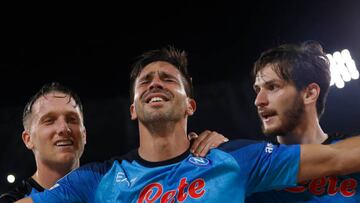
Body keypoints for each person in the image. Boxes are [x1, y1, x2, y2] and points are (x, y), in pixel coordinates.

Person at [16, 46, 360, 203]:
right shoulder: (95, 181)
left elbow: (337, 157)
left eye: (168, 79)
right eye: (145, 81)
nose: (155, 83)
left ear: (190, 105)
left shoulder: (237, 159)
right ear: (134, 109)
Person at [0, 82, 225, 202]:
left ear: (85, 134)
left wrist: (215, 152)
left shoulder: (115, 183)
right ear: (28, 139)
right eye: (49, 121)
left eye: (72, 120)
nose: (63, 129)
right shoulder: (16, 199)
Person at [246, 41, 360, 202]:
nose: (258, 101)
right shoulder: (253, 167)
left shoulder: (354, 157)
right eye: (258, 90)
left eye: (272, 87)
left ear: (309, 94)